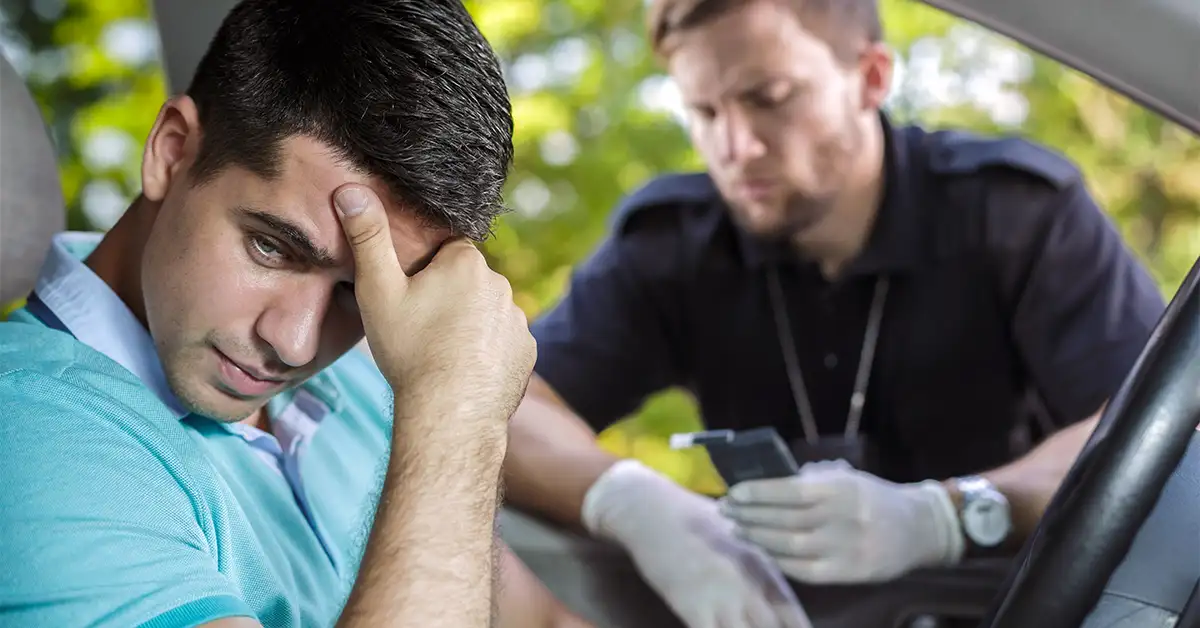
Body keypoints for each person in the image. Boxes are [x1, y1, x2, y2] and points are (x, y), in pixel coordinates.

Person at [502, 0, 1168, 625]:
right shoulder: (670, 245)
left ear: (870, 78)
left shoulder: (1015, 213)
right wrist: (627, 501)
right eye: (703, 111)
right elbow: (505, 402)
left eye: (768, 99)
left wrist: (946, 516)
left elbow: (1155, 432)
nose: (735, 147)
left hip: (1017, 604)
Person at [0, 1, 592, 627]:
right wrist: (453, 412)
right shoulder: (32, 436)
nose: (297, 344)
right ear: (171, 153)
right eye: (271, 248)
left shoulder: (358, 384)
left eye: (355, 292)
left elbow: (546, 623)